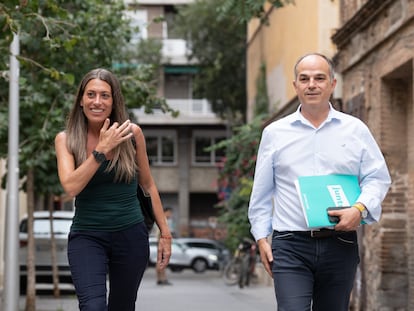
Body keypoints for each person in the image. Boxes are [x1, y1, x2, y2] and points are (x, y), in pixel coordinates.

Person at [248, 53, 391, 311]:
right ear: (295, 86)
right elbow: (261, 193)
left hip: (340, 242)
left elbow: (377, 178)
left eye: (319, 78)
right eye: (304, 79)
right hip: (290, 244)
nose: (311, 84)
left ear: (332, 84)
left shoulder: (355, 129)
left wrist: (359, 209)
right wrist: (261, 239)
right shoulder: (274, 133)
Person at [55, 68, 172, 311]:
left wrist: (165, 234)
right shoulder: (66, 140)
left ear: (113, 100)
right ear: (80, 100)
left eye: (104, 95)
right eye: (91, 94)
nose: (97, 101)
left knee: (122, 306)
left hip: (130, 235)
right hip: (87, 236)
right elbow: (71, 186)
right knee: (93, 307)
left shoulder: (132, 134)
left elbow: (147, 185)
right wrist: (100, 152)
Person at [156, 206, 174, 285]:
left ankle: (160, 279)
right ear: (166, 212)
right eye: (170, 213)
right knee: (162, 261)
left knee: (160, 261)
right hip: (162, 243)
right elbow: (160, 232)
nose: (171, 215)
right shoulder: (163, 220)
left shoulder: (162, 220)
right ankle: (162, 279)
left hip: (160, 242)